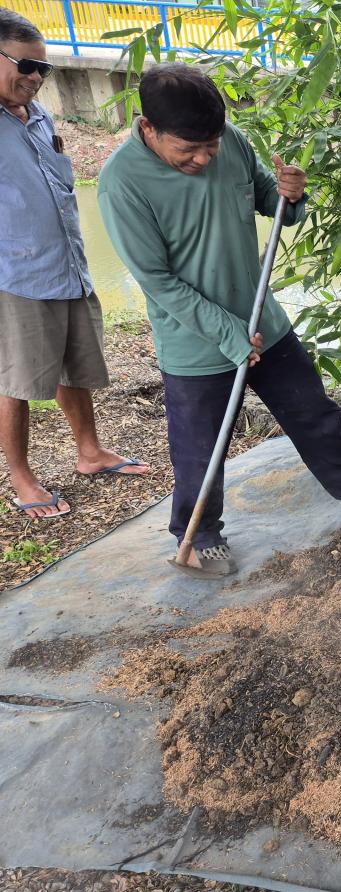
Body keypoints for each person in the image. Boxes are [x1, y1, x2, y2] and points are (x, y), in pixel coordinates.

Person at [98, 64, 341, 579]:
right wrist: (227, 333)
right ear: (148, 128)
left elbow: (275, 203)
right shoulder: (120, 184)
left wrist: (292, 192)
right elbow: (157, 281)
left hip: (263, 320)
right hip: (195, 343)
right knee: (202, 450)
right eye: (189, 150)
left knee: (313, 412)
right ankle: (199, 534)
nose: (203, 158)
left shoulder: (233, 143)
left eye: (212, 146)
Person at [0, 8, 150, 520]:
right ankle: (21, 478)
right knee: (14, 381)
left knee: (75, 365)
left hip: (67, 264)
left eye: (45, 69)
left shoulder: (39, 117)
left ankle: (89, 452)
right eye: (24, 65)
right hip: (14, 278)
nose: (36, 78)